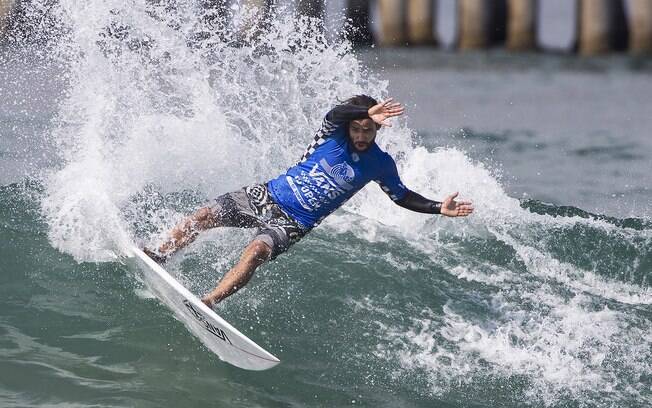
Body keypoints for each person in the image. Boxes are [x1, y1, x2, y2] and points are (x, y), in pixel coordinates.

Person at [144, 95, 473, 308]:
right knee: (204, 215)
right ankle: (160, 254)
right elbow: (336, 112)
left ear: (377, 131)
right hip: (269, 195)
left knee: (256, 252)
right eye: (357, 128)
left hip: (295, 222)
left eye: (368, 130)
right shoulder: (331, 134)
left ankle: (210, 301)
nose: (361, 135)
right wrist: (362, 110)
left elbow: (401, 196)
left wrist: (436, 207)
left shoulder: (380, 163)